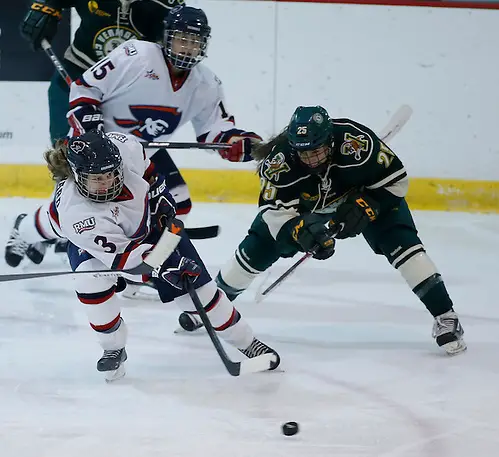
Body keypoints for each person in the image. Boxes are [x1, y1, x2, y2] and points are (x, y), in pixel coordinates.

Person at [181, 105, 466, 356]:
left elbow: (397, 182)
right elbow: (274, 215)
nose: (311, 158)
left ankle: (446, 315)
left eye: (317, 150)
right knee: (256, 248)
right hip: (304, 206)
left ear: (330, 141)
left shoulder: (358, 144)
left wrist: (368, 205)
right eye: (303, 152)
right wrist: (302, 232)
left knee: (402, 243)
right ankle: (212, 309)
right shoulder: (279, 165)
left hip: (363, 193)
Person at [7, 5, 261, 269]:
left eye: (194, 42)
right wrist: (88, 115)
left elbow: (215, 129)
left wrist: (233, 142)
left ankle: (139, 266)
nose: (186, 48)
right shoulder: (137, 55)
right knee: (71, 213)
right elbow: (85, 88)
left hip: (139, 154)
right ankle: (25, 229)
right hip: (97, 149)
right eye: (181, 40)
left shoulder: (206, 84)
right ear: (166, 37)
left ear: (203, 45)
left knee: (176, 203)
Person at [42, 129, 279, 381]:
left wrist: (163, 206)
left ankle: (247, 341)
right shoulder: (78, 216)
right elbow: (126, 259)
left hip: (146, 225)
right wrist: (166, 267)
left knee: (199, 295)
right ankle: (113, 348)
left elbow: (153, 176)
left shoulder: (126, 148)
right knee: (90, 281)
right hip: (102, 245)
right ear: (78, 176)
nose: (107, 183)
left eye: (111, 174)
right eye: (96, 179)